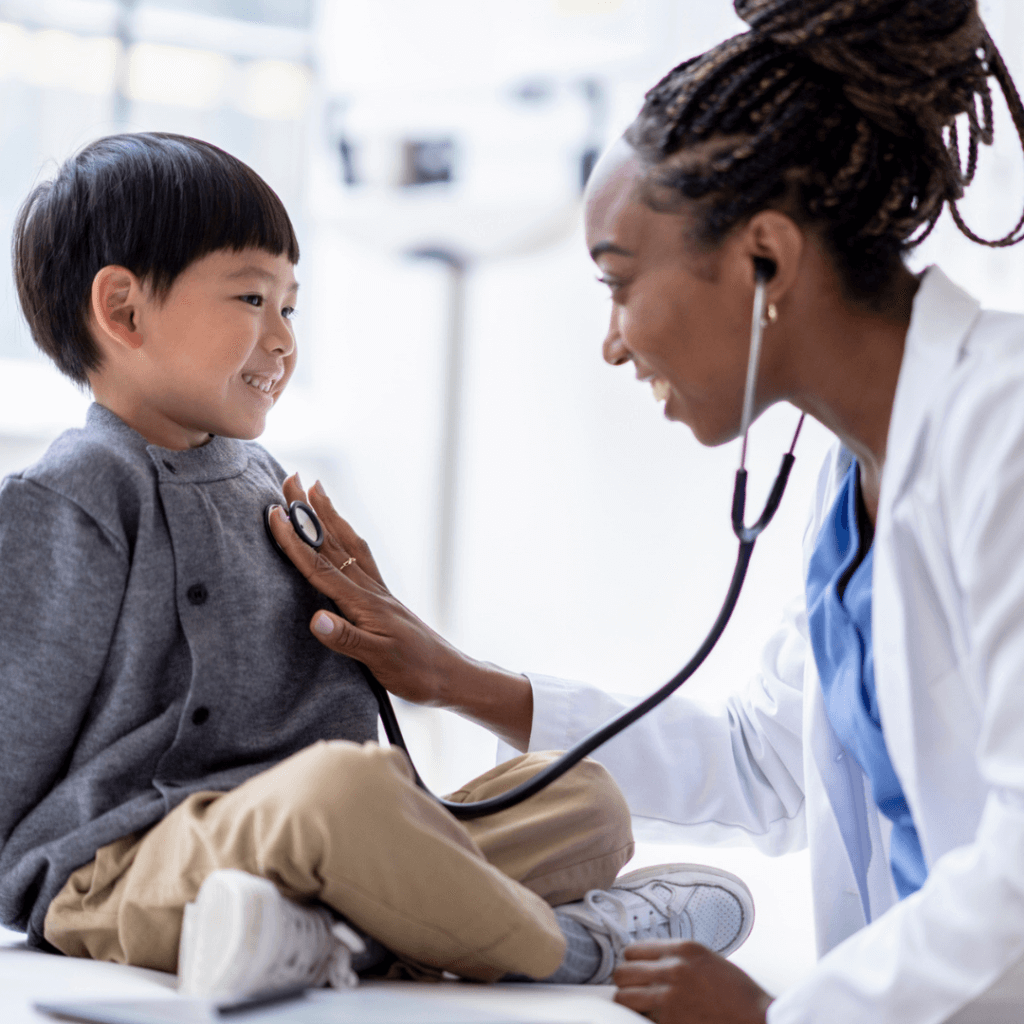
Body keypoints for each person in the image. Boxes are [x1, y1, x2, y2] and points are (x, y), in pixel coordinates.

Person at [266, 0, 1024, 1020]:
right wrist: (456, 678)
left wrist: (776, 1019)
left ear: (766, 259)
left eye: (620, 283)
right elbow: (763, 764)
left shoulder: (1004, 431)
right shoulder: (858, 476)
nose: (613, 342)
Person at [0, 131, 756, 998]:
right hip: (135, 867)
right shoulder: (72, 495)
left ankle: (316, 937)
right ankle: (570, 946)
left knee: (584, 794)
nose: (283, 339)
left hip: (316, 837)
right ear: (125, 312)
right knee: (345, 798)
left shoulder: (262, 479)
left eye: (292, 307)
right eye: (252, 297)